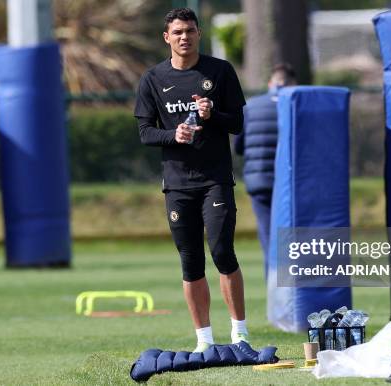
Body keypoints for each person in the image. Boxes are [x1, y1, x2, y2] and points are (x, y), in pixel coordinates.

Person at [134, 8, 248, 352]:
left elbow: (236, 124)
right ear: (166, 38)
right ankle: (204, 340)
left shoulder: (220, 71)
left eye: (191, 31)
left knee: (222, 249)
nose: (185, 37)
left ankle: (240, 333)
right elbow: (144, 132)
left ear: (199, 34)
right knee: (190, 260)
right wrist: (174, 135)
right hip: (178, 184)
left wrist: (212, 115)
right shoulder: (153, 78)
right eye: (178, 32)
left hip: (215, 179)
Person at [234, 64, 296, 277]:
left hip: (259, 180)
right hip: (289, 182)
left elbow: (238, 146)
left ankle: (274, 291)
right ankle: (292, 289)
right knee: (290, 237)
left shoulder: (250, 106)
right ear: (292, 83)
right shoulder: (296, 105)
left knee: (267, 236)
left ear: (271, 83)